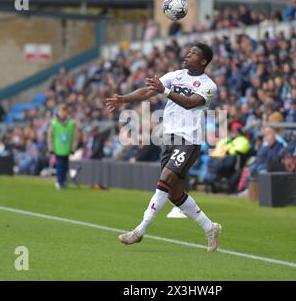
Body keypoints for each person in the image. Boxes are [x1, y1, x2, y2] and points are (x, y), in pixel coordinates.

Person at [106, 43, 221, 252]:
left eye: (194, 53)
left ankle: (139, 231)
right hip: (169, 139)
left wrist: (165, 91)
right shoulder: (175, 75)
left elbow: (189, 102)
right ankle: (209, 227)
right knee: (173, 193)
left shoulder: (209, 86)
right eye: (189, 51)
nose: (188, 54)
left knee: (165, 180)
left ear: (203, 61)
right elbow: (148, 92)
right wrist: (125, 99)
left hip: (189, 141)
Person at [48, 104, 79, 190]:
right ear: (58, 112)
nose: (63, 113)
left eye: (65, 111)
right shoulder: (53, 123)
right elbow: (50, 136)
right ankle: (60, 181)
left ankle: (63, 180)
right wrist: (51, 148)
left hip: (67, 149)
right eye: (61, 111)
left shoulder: (71, 123)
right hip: (58, 149)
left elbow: (75, 137)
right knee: (60, 165)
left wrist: (73, 148)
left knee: (65, 165)